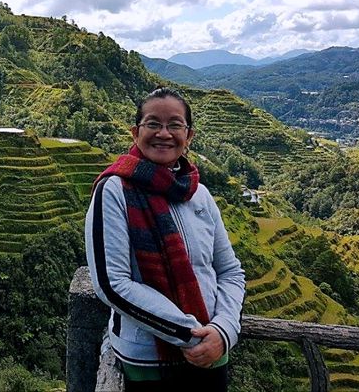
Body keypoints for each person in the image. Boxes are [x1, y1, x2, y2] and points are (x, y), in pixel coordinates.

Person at [85, 87, 245, 391]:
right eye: (153, 123)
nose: (164, 133)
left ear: (189, 136)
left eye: (174, 125)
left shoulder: (199, 194)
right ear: (135, 132)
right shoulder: (114, 191)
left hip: (212, 353)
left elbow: (229, 271)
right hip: (148, 362)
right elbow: (112, 284)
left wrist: (223, 331)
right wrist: (189, 334)